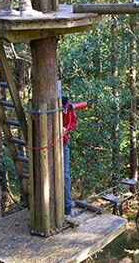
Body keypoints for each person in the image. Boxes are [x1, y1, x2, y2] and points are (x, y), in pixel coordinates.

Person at [60, 81, 77, 216]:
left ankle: (67, 206)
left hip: (63, 143)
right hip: (50, 146)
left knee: (65, 175)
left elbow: (73, 122)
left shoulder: (69, 107)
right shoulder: (51, 106)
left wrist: (65, 129)